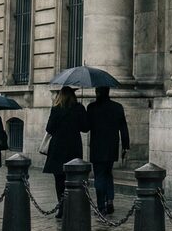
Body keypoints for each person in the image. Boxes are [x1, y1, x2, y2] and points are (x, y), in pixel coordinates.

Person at [43, 86, 88, 217]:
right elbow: (85, 128)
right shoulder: (79, 108)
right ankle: (73, 206)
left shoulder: (56, 109)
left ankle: (61, 206)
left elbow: (49, 128)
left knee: (59, 178)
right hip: (73, 146)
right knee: (73, 176)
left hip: (58, 147)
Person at [86, 86, 130, 215]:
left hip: (97, 147)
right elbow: (124, 129)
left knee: (99, 175)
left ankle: (101, 206)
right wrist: (125, 146)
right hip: (112, 146)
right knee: (108, 173)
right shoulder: (117, 107)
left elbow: (86, 127)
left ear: (97, 92)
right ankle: (110, 200)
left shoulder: (92, 107)